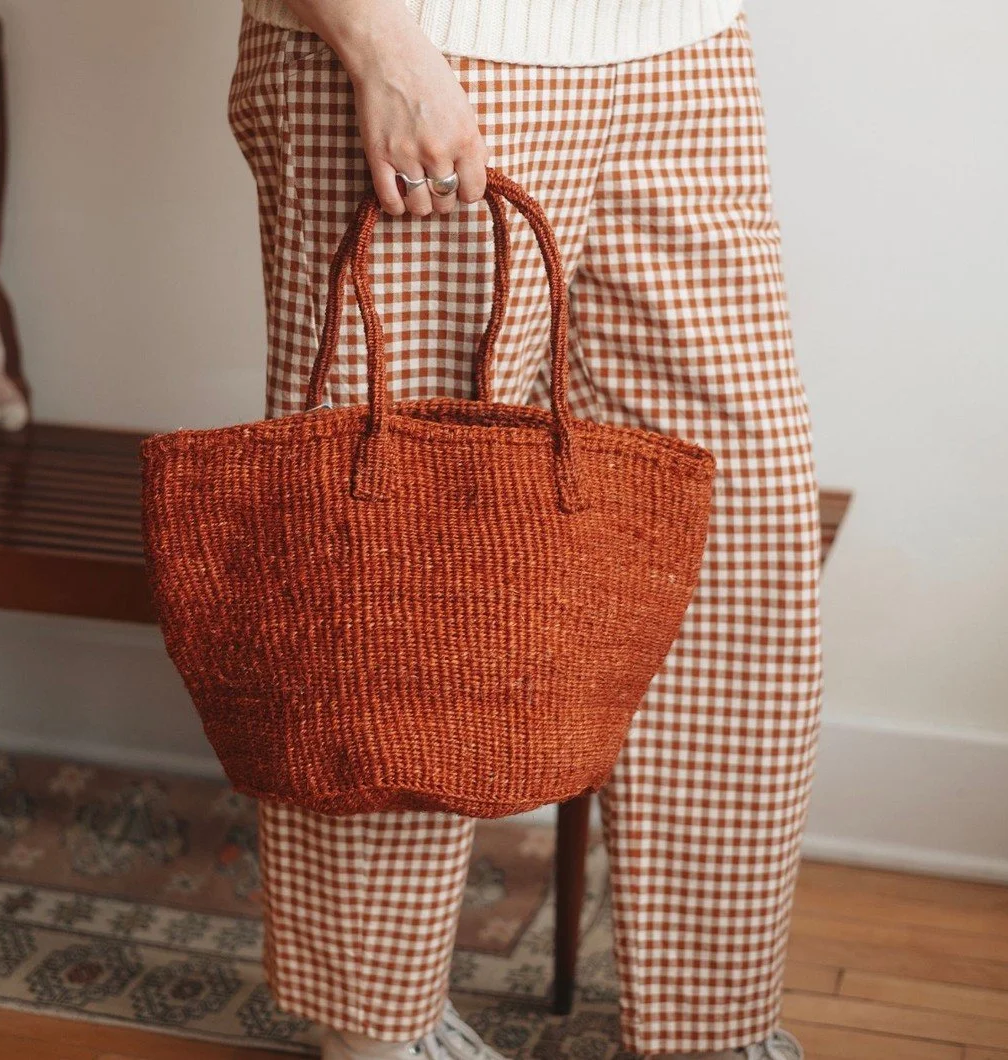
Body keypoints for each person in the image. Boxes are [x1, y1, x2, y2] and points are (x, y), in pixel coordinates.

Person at [227, 1, 823, 1058]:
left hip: (682, 47)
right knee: (397, 553)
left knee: (733, 528)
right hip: (431, 41)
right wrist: (379, 41)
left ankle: (714, 1025)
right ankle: (376, 1028)